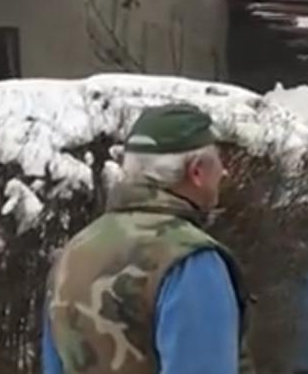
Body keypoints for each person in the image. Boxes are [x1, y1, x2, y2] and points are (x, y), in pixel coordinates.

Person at [42, 103, 253, 374]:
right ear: (197, 171)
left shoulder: (73, 254)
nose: (223, 172)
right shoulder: (190, 261)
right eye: (218, 161)